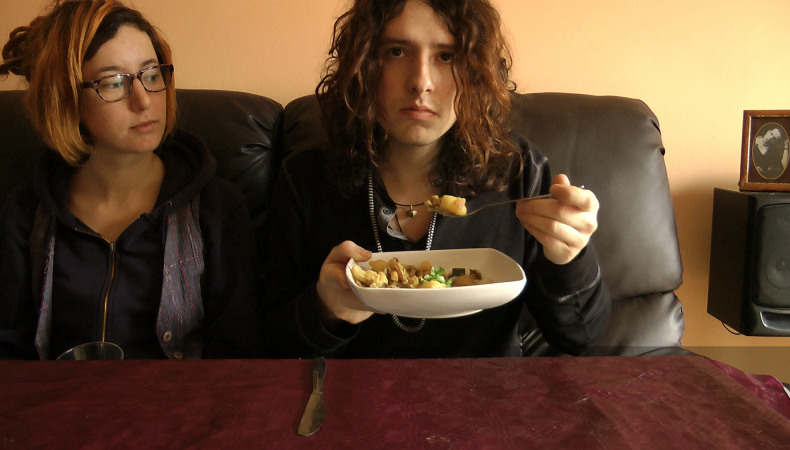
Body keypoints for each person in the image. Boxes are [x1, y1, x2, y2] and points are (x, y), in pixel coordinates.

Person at [263, 0, 610, 358]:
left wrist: (570, 258)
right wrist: (323, 308)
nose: (421, 82)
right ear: (364, 65)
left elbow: (580, 338)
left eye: (446, 56)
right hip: (350, 390)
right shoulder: (306, 177)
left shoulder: (519, 170)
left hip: (488, 390)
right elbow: (269, 344)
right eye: (396, 52)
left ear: (475, 73)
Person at [0, 0, 262, 359]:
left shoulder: (216, 207)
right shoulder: (27, 214)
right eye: (113, 82)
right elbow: (9, 353)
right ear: (64, 98)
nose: (143, 101)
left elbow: (237, 355)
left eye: (151, 75)